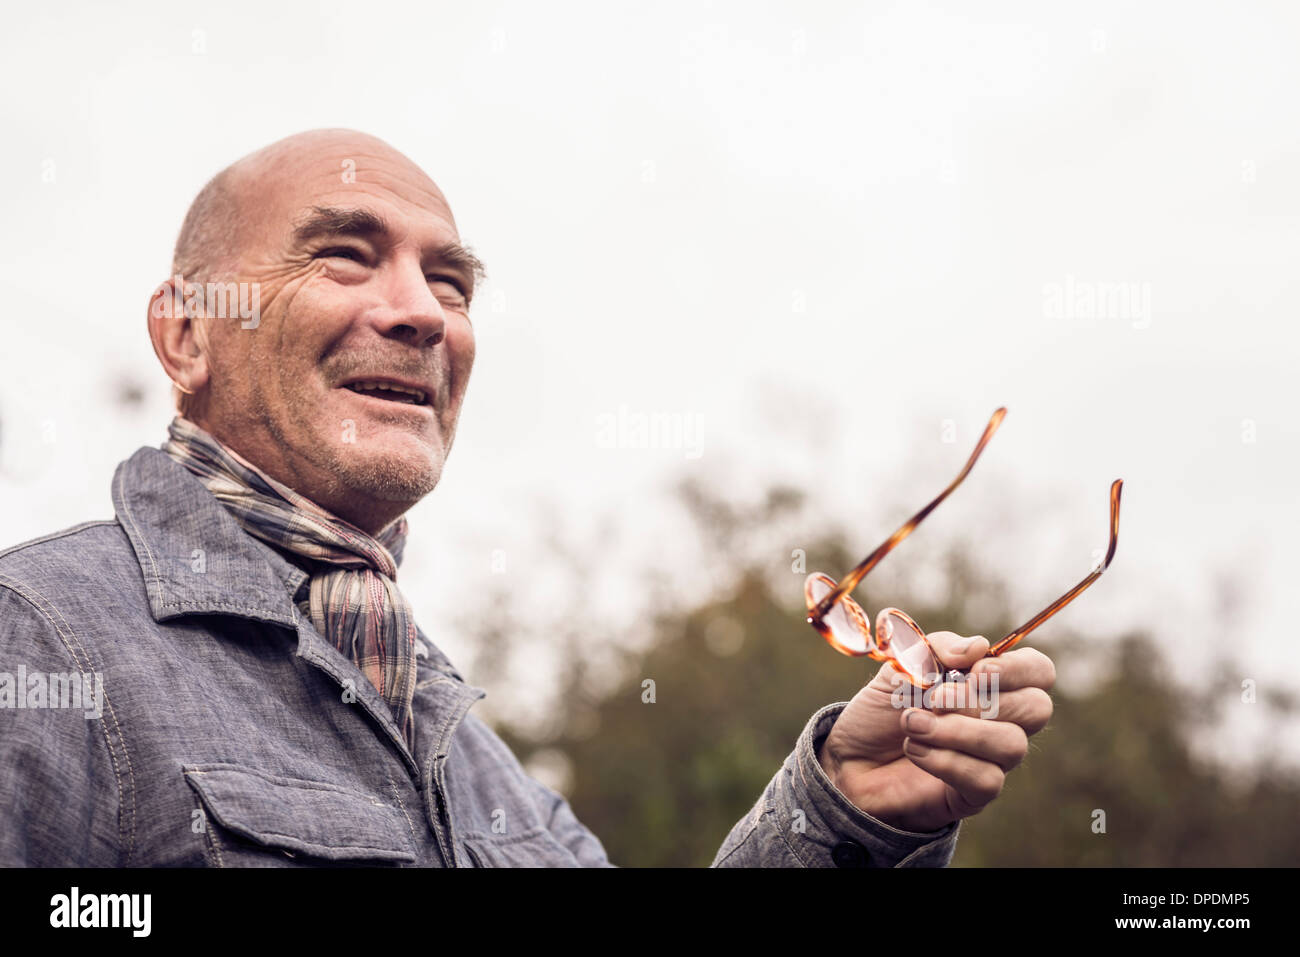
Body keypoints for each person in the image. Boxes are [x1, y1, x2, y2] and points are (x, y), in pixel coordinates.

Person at [0, 129, 1055, 867]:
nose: (422, 313)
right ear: (186, 333)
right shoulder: (37, 645)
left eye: (451, 283)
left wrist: (845, 816)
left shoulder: (475, 760)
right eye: (343, 256)